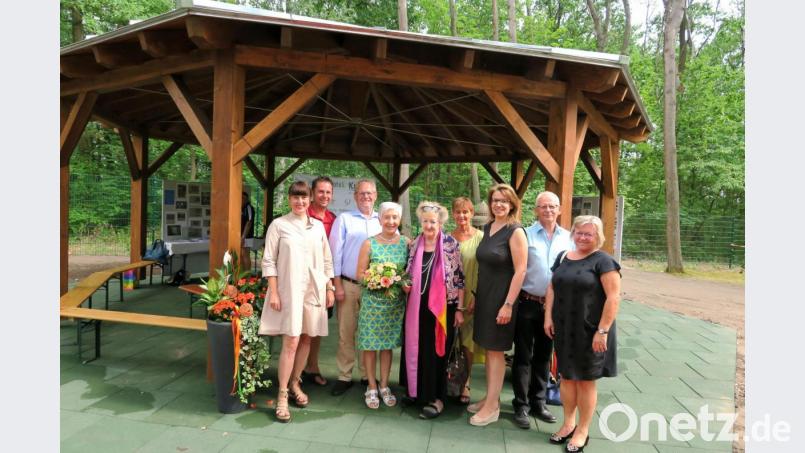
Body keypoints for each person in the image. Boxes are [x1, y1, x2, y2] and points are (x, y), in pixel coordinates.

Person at [259, 181, 335, 423]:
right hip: (288, 291)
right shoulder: (279, 225)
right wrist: (273, 291)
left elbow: (326, 260)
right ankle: (282, 394)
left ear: (310, 198)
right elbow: (269, 261)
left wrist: (330, 288)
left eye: (304, 197)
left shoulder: (317, 227)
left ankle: (295, 383)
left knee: (306, 338)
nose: (300, 202)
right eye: (296, 197)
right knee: (291, 340)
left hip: (313, 291)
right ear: (290, 199)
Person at [544, 215, 621, 452]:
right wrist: (548, 316)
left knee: (585, 381)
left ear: (598, 236)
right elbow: (552, 286)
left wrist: (603, 330)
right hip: (564, 327)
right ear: (573, 233)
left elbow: (613, 297)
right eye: (579, 232)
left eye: (589, 233)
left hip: (591, 330)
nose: (583, 237)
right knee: (567, 377)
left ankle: (583, 430)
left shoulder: (604, 261)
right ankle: (568, 423)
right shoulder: (563, 257)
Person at [511, 191, 574, 429]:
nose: (548, 210)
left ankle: (539, 402)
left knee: (544, 356)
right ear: (536, 210)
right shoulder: (524, 235)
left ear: (559, 209)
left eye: (552, 206)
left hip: (553, 307)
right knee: (523, 356)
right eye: (543, 206)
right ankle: (521, 405)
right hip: (528, 301)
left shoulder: (569, 238)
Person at [468, 183, 528, 427]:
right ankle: (489, 397)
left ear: (512, 203)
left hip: (502, 300)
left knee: (496, 351)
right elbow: (484, 266)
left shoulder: (515, 231)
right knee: (489, 349)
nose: (499, 204)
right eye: (495, 200)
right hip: (484, 297)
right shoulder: (488, 227)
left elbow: (521, 270)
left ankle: (493, 407)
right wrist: (475, 296)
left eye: (504, 200)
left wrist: (508, 304)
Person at [400, 201, 465, 419]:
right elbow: (408, 272)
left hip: (443, 309)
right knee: (418, 350)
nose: (429, 225)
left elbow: (459, 280)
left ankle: (437, 398)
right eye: (426, 221)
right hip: (416, 309)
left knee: (436, 353)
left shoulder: (450, 244)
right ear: (421, 222)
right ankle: (417, 393)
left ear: (440, 223)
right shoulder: (415, 243)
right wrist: (405, 283)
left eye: (433, 222)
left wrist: (460, 309)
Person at [329, 179, 382, 396]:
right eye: (362, 193)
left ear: (376, 195)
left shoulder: (384, 220)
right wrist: (337, 285)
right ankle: (344, 375)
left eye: (369, 193)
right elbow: (335, 254)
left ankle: (366, 375)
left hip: (375, 288)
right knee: (346, 332)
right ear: (355, 196)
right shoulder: (344, 219)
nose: (366, 197)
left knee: (369, 333)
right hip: (349, 284)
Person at [356, 202, 409, 409]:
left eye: (395, 217)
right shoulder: (369, 244)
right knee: (370, 346)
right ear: (380, 219)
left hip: (394, 305)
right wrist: (376, 279)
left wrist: (403, 282)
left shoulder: (406, 243)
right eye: (387, 217)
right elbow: (359, 274)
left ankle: (385, 385)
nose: (391, 221)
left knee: (387, 347)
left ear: (399, 220)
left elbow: (408, 273)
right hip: (372, 303)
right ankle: (371, 386)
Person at [449, 197, 485, 405]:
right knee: (451, 340)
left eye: (466, 212)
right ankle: (451, 378)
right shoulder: (445, 238)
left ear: (471, 214)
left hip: (472, 295)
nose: (462, 216)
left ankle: (466, 382)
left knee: (468, 342)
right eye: (458, 212)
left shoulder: (481, 238)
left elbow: (486, 270)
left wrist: (478, 296)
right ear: (452, 214)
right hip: (450, 297)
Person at [302, 176, 337, 388]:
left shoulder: (334, 219)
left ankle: (311, 367)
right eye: (321, 191)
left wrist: (331, 285)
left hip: (324, 282)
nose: (324, 195)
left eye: (328, 192)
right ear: (313, 193)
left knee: (316, 327)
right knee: (300, 328)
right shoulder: (302, 215)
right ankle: (295, 372)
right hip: (303, 280)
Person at [241, 191, 256, 269]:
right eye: (241, 198)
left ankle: (247, 277)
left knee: (245, 255)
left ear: (247, 199)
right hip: (243, 236)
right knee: (242, 255)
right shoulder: (242, 208)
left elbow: (249, 222)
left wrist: (243, 237)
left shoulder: (248, 207)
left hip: (247, 236)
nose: (242, 200)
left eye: (244, 198)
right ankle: (243, 276)